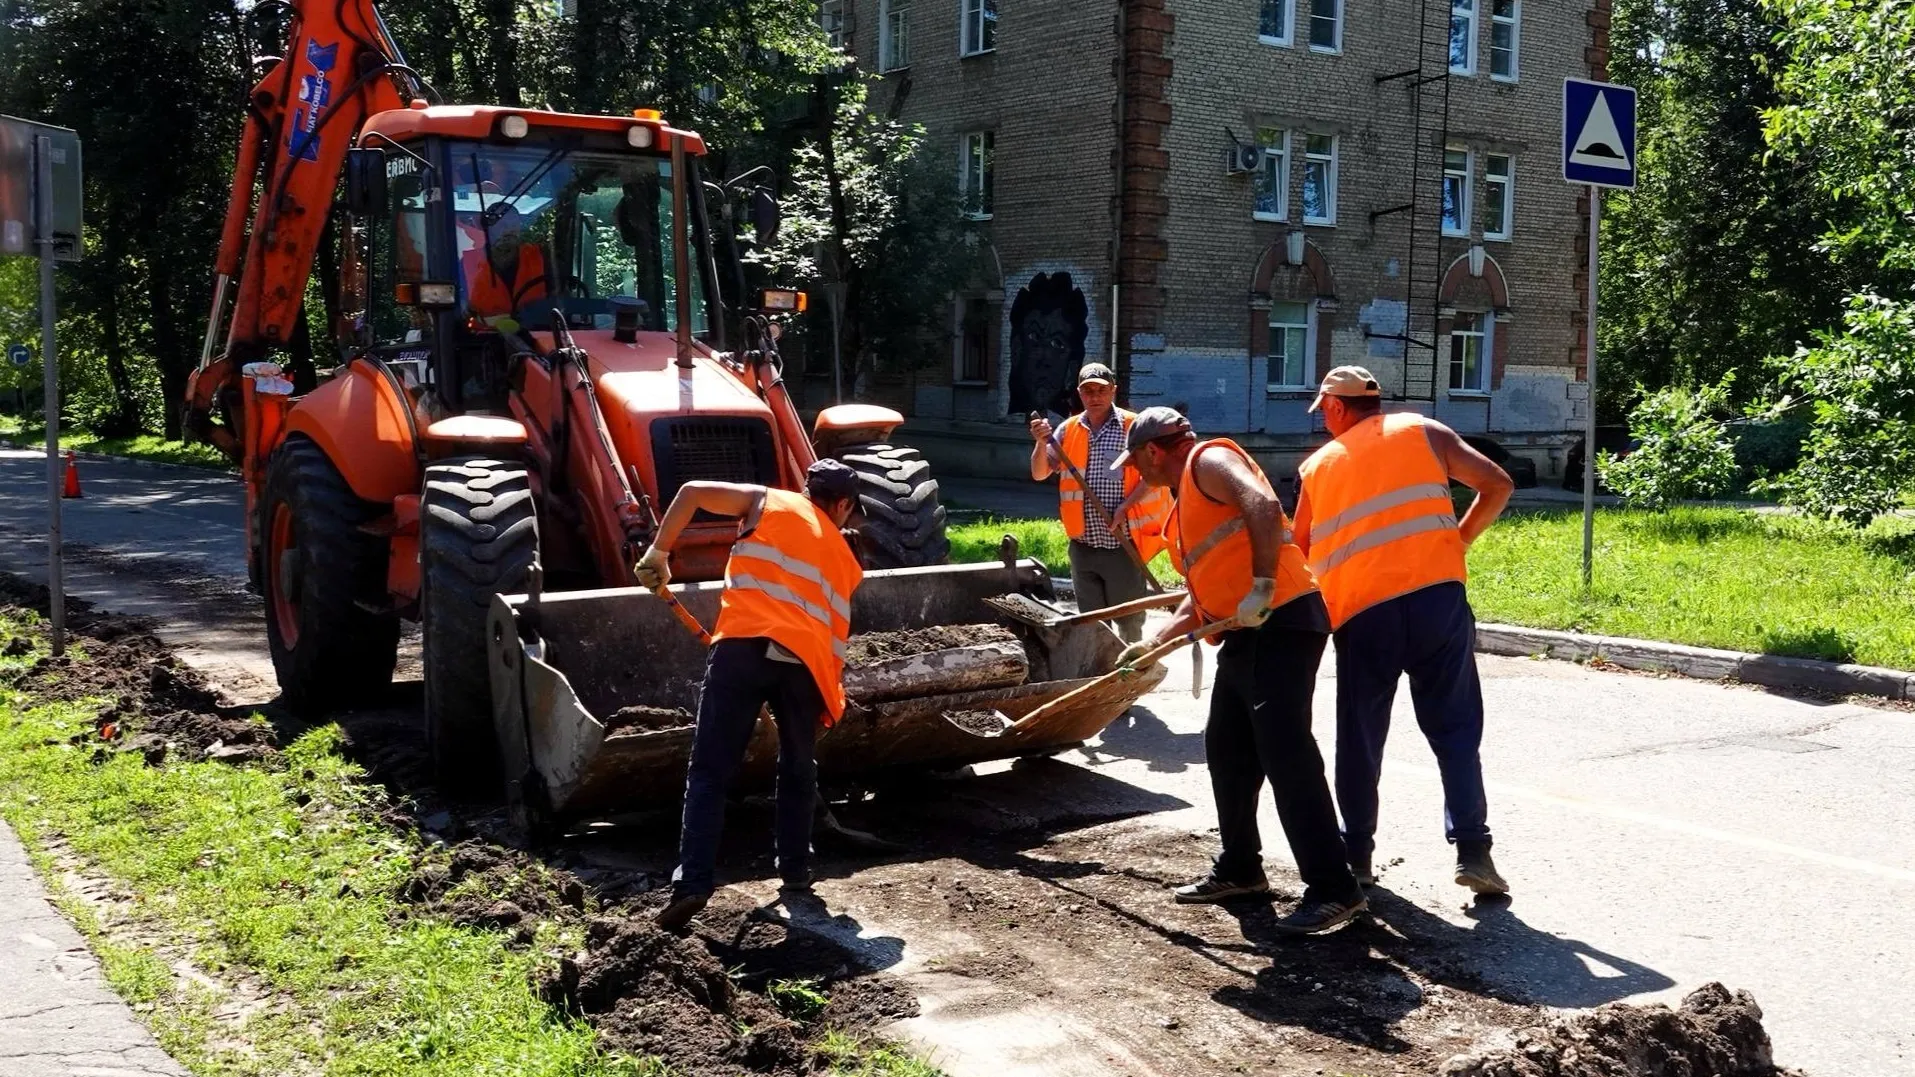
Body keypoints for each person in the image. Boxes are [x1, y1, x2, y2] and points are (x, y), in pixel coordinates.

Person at [1112, 407, 1368, 934]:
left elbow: (1265, 504)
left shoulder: (1210, 459)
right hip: (1247, 628)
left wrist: (1262, 584)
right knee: (1227, 748)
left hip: (1282, 619)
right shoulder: (1186, 498)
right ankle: (1240, 868)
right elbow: (1203, 597)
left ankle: (1334, 888)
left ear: (1153, 450)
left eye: (1136, 463)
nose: (1138, 475)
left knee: (1286, 753)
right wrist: (1152, 645)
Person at [1293, 366, 1515, 895]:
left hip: (1365, 614)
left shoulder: (1318, 468)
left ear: (1339, 407)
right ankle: (1474, 852)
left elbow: (1296, 553)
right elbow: (1498, 484)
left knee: (1361, 738)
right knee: (1456, 731)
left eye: (1324, 409)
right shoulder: (1425, 431)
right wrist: (1458, 542)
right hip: (1439, 600)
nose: (1323, 420)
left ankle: (1357, 858)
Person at [635, 459, 866, 931]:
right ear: (842, 504)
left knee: (710, 770)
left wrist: (659, 553)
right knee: (799, 766)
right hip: (804, 668)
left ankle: (693, 883)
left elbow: (694, 487)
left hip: (742, 649)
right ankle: (797, 872)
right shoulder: (846, 559)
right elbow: (831, 635)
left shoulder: (766, 501)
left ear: (807, 489)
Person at [1028, 363, 1173, 642]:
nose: (1094, 396)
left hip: (1122, 543)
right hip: (1083, 546)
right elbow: (1039, 472)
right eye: (1088, 390)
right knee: (1092, 623)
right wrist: (1039, 442)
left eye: (1101, 390)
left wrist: (1125, 507)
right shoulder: (1068, 431)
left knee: (1129, 620)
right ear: (1080, 394)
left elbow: (1155, 474)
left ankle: (1130, 671)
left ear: (1113, 391)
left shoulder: (1134, 427)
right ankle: (1100, 674)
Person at [462, 201, 549, 321]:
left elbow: (560, 299)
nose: (509, 229)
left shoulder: (541, 256)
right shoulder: (464, 264)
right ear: (487, 228)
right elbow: (461, 310)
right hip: (482, 336)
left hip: (536, 334)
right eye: (502, 224)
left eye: (514, 224)